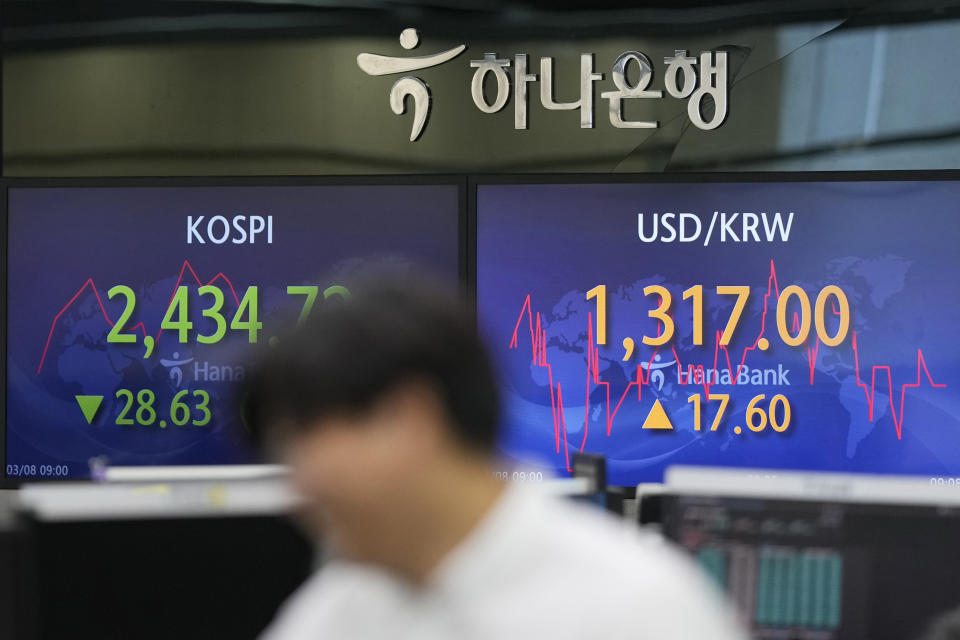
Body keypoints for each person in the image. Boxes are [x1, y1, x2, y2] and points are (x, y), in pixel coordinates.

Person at [241, 275, 747, 640]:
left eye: (299, 441)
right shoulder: (347, 605)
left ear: (407, 416)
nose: (298, 490)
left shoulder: (633, 609)